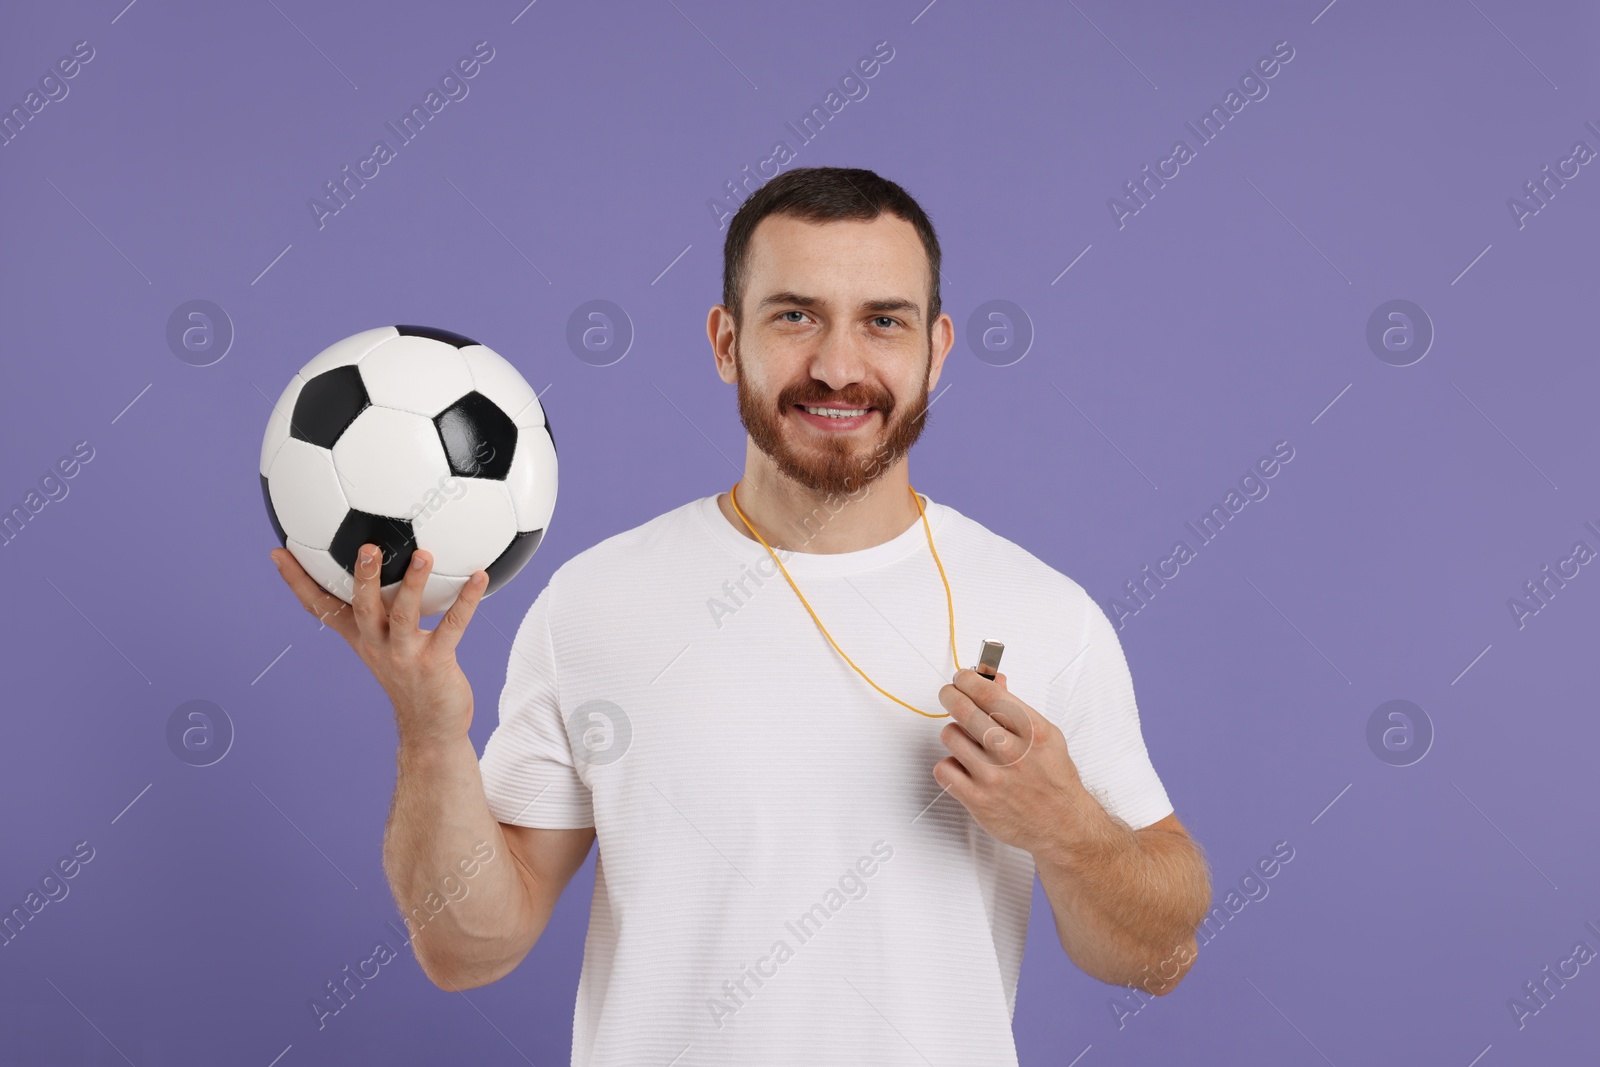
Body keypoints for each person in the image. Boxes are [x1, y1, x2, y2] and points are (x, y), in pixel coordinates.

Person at [271, 166, 1211, 1065]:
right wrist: (429, 730)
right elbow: (467, 949)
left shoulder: (1048, 614)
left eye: (883, 321)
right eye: (794, 315)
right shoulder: (596, 602)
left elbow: (1156, 958)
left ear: (937, 349)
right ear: (726, 341)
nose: (838, 366)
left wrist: (1066, 826)